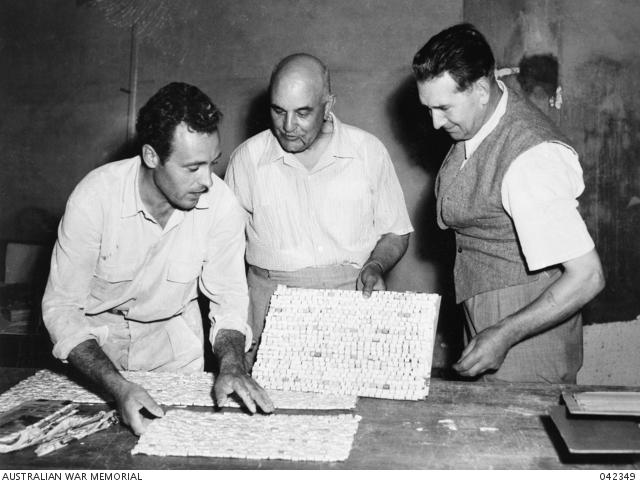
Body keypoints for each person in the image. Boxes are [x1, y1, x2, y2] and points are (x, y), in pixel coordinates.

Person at [42, 82, 274, 435]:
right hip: (98, 350)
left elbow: (228, 299)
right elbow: (62, 309)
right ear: (151, 156)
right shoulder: (95, 198)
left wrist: (232, 364)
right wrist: (118, 388)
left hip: (173, 349)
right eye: (192, 167)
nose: (208, 181)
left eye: (212, 163)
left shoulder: (222, 205)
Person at [412, 23, 605, 383]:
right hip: (490, 316)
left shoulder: (530, 160)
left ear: (482, 90)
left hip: (526, 332)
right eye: (429, 108)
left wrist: (504, 333)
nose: (435, 122)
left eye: (443, 108)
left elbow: (588, 277)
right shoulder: (479, 121)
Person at [225, 53, 413, 366]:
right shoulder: (247, 159)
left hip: (352, 306)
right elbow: (224, 253)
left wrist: (376, 265)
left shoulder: (367, 152)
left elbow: (396, 230)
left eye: (302, 113)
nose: (287, 126)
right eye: (278, 110)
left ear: (328, 106)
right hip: (270, 311)